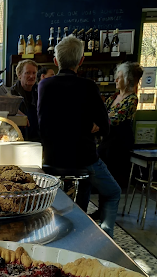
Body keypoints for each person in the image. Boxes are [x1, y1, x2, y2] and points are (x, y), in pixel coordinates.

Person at [37, 35, 120, 238]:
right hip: (84, 158)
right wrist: (89, 126)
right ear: (81, 61)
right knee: (113, 192)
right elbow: (105, 128)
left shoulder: (44, 86)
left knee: (84, 181)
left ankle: (63, 227)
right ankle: (105, 235)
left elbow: (43, 125)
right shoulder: (89, 87)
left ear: (55, 61)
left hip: (51, 160)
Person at [98, 62, 144, 188]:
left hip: (120, 143)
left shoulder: (132, 99)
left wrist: (101, 121)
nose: (116, 79)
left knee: (114, 176)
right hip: (107, 139)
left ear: (128, 80)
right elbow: (101, 114)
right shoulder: (113, 97)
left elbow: (117, 118)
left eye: (120, 77)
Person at [11, 60, 40, 141]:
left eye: (34, 73)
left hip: (37, 139)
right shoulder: (11, 94)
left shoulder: (40, 92)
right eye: (27, 73)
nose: (31, 76)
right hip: (18, 138)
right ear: (19, 75)